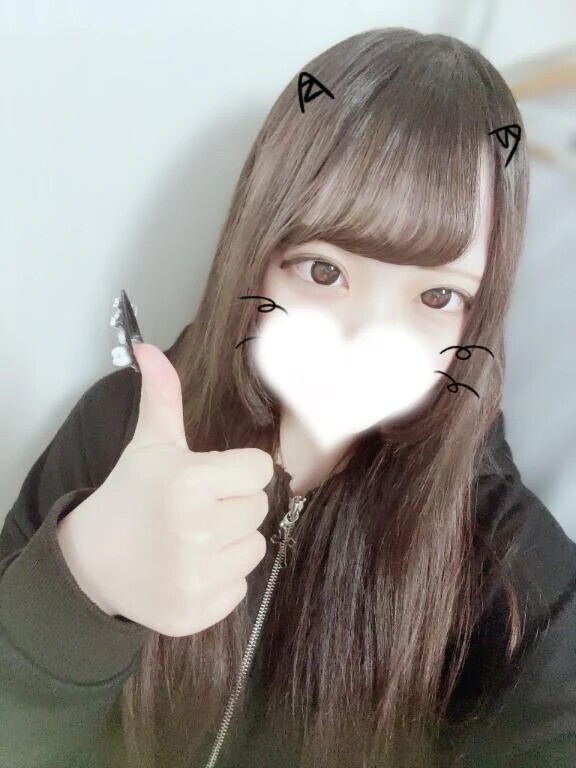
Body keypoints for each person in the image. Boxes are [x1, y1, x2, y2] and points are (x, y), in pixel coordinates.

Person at [1, 27, 575, 768]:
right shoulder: (118, 431)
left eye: (438, 297)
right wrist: (81, 585)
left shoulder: (506, 558)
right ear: (257, 252)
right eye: (324, 271)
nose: (368, 340)